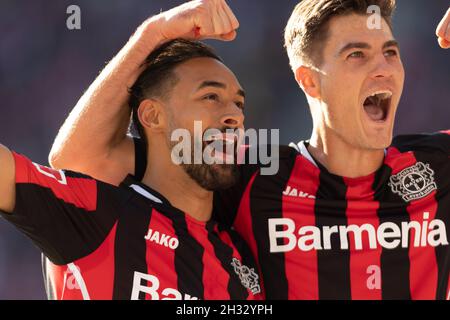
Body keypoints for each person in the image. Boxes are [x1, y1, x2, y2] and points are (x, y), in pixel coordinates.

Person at [49, 0, 450, 299]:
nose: (383, 68)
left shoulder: (440, 164)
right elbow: (81, 159)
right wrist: (153, 34)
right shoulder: (251, 173)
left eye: (391, 52)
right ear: (310, 82)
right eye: (357, 54)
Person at [0, 1, 264, 300]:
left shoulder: (242, 257)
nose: (235, 115)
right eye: (211, 96)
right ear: (152, 116)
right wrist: (153, 34)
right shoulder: (96, 212)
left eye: (239, 103)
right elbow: (73, 158)